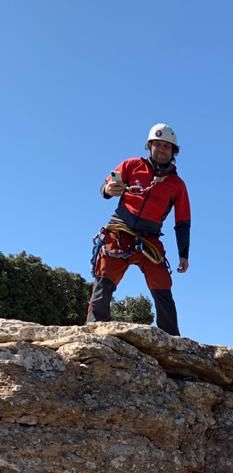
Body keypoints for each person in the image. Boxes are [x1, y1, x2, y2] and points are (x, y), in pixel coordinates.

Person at [87, 122, 190, 336]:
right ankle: (94, 334)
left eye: (167, 146)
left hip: (149, 240)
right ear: (150, 146)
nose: (162, 149)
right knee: (103, 283)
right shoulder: (132, 165)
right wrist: (108, 189)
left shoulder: (177, 185)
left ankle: (171, 343)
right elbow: (106, 186)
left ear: (173, 152)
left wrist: (184, 254)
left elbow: (182, 220)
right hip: (119, 231)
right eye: (158, 144)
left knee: (162, 289)